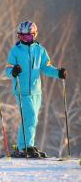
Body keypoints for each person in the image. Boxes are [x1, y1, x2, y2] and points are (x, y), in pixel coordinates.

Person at [6, 20, 66, 158]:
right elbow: (8, 69)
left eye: (27, 37)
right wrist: (13, 71)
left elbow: (45, 67)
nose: (24, 39)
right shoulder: (15, 50)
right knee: (30, 118)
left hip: (36, 91)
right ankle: (25, 147)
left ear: (34, 35)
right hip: (21, 91)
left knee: (31, 119)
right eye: (21, 36)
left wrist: (58, 73)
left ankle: (26, 146)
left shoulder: (40, 50)